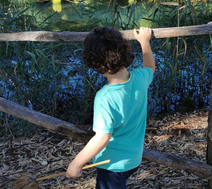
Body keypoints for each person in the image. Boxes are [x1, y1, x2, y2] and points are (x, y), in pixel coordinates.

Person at [66, 26, 155, 189]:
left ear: (94, 63)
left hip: (111, 164)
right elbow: (150, 68)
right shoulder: (140, 79)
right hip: (133, 159)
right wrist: (144, 42)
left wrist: (76, 163)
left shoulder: (104, 97)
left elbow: (102, 138)